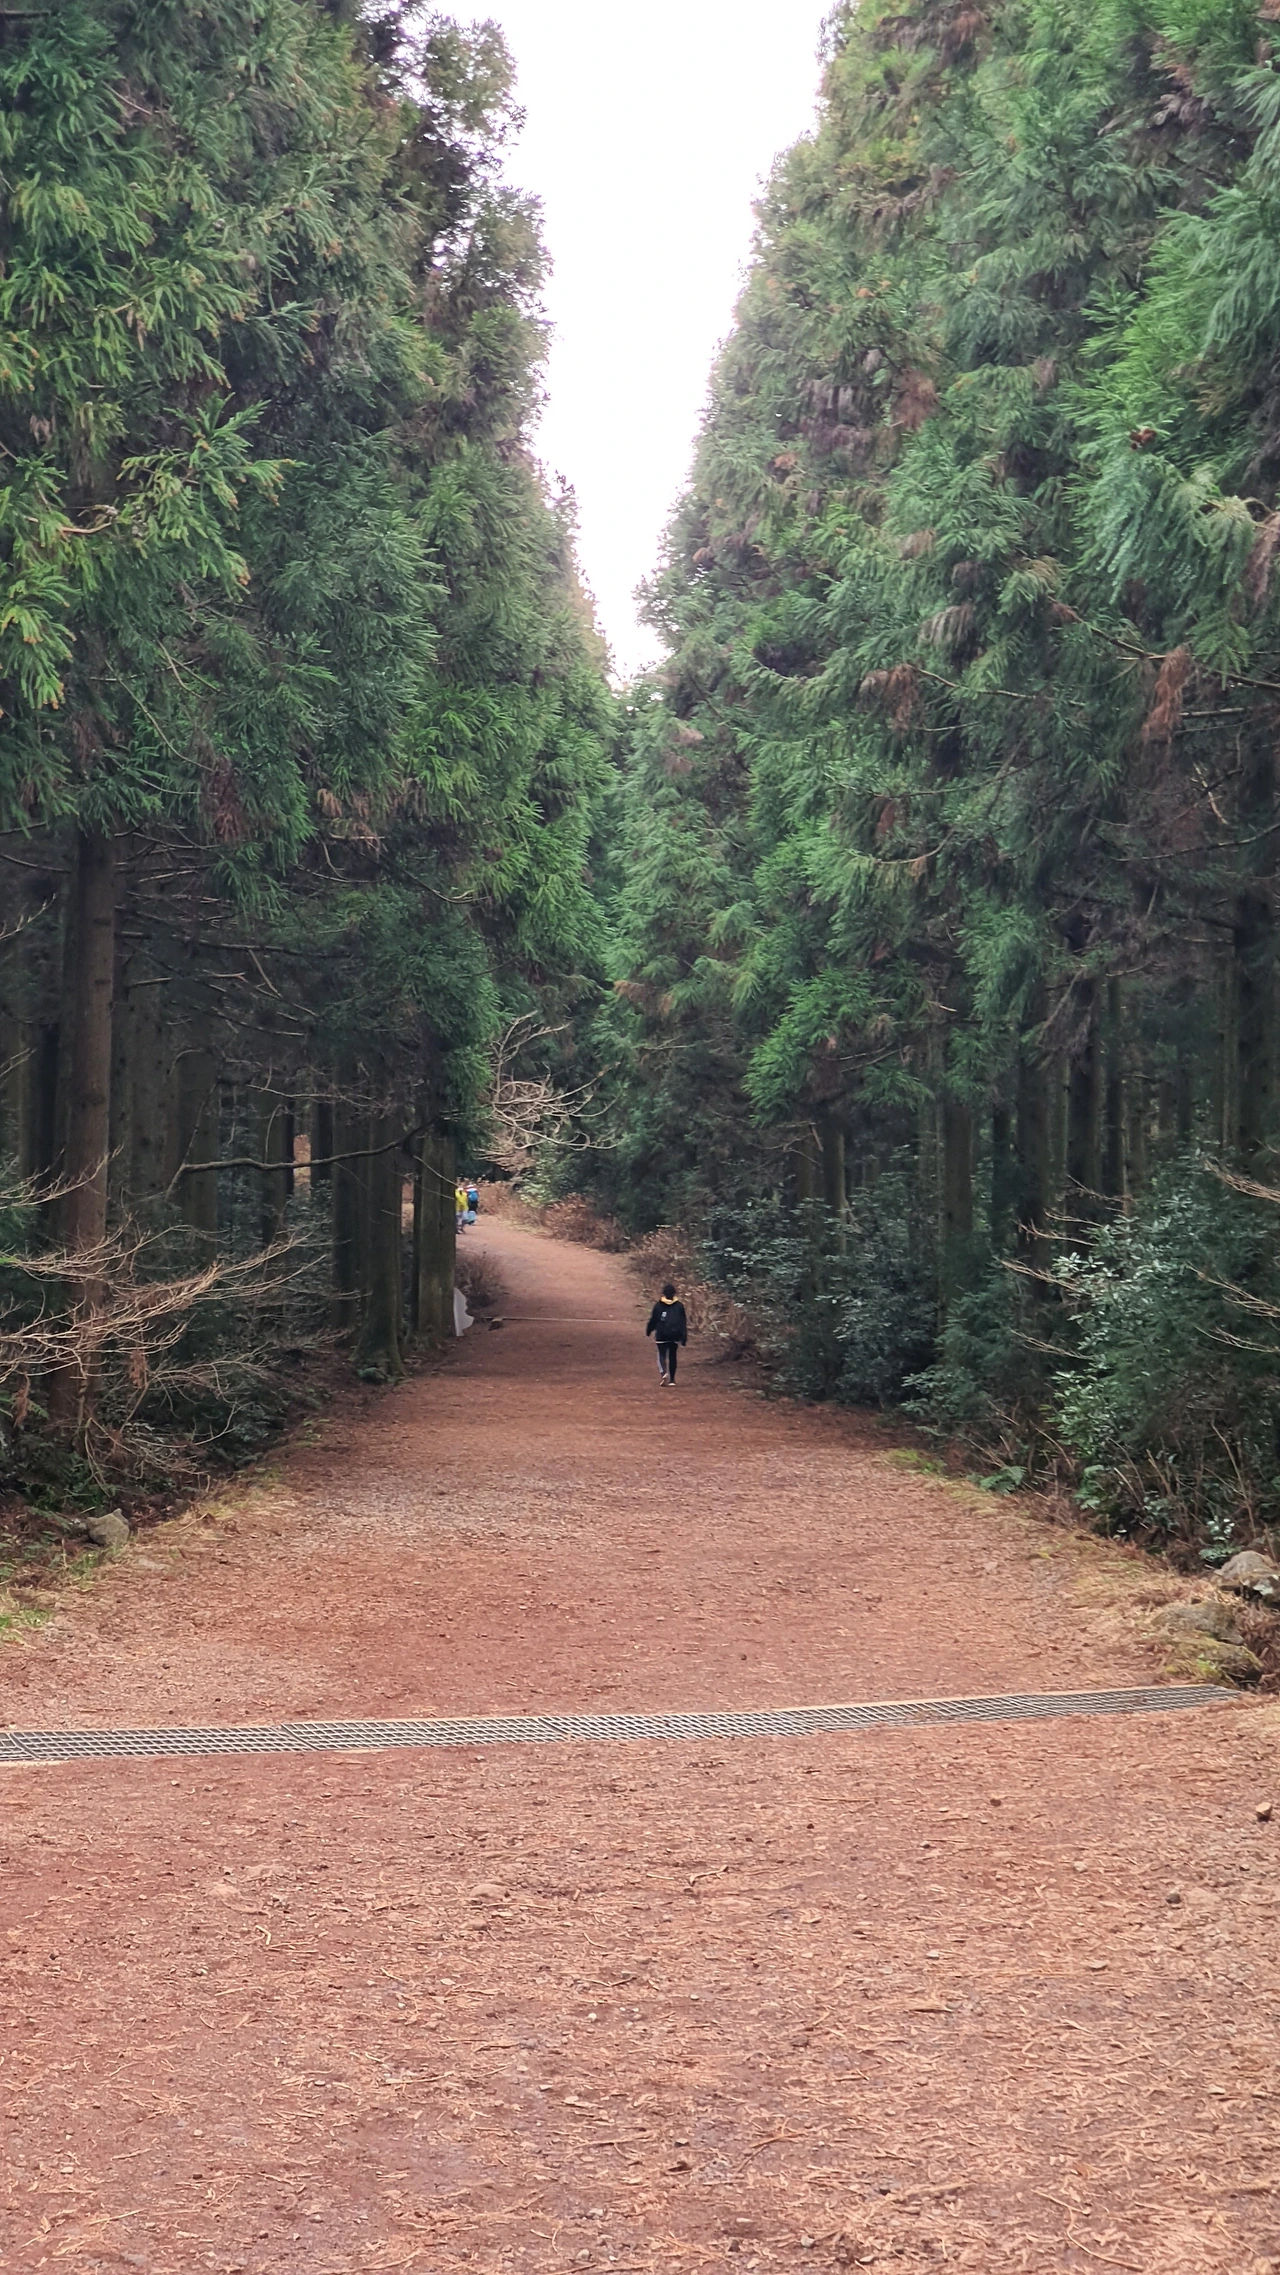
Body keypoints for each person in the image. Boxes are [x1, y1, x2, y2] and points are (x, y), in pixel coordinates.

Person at [645, 1281, 687, 1385]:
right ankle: (672, 1379)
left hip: (662, 1335)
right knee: (673, 1356)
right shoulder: (679, 1306)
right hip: (674, 1335)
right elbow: (683, 1322)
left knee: (661, 1355)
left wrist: (649, 1330)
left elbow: (653, 1320)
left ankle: (664, 1373)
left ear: (663, 1293)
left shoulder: (658, 1306)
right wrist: (683, 1337)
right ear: (674, 1293)